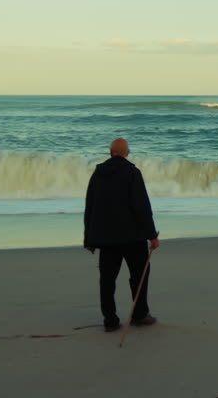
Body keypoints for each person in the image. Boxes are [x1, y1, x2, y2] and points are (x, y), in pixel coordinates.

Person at [83, 137, 160, 332]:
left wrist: (89, 239)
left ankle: (110, 320)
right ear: (126, 153)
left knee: (107, 280)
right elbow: (142, 206)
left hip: (106, 238)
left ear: (111, 152)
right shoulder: (132, 173)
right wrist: (152, 235)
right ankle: (140, 314)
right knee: (139, 275)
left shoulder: (98, 173)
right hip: (133, 237)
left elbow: (90, 207)